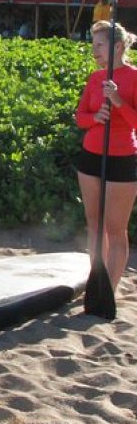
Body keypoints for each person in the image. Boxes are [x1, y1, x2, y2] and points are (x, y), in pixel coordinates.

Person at [74, 20, 137, 293]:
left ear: (118, 46)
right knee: (95, 225)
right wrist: (95, 117)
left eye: (99, 45)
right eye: (93, 45)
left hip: (122, 158)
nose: (94, 51)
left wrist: (118, 101)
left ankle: (108, 291)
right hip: (91, 156)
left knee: (115, 229)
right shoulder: (94, 78)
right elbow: (80, 117)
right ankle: (96, 281)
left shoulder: (134, 77)